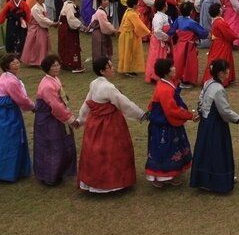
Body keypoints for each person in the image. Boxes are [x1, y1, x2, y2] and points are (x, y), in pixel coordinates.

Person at [76, 55, 146, 194]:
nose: (112, 69)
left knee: (95, 152)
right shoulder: (108, 87)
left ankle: (94, 182)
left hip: (93, 124)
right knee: (113, 151)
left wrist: (81, 119)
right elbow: (123, 103)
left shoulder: (94, 83)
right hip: (109, 125)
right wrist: (140, 114)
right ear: (102, 71)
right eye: (110, 67)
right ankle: (113, 183)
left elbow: (87, 103)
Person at [191, 59, 239, 193]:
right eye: (227, 69)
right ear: (221, 73)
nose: (228, 71)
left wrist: (200, 112)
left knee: (205, 150)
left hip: (206, 121)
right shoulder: (219, 89)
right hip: (216, 124)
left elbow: (201, 99)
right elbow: (224, 111)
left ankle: (203, 179)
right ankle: (218, 181)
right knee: (218, 151)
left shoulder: (208, 83)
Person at [145, 58, 197, 187]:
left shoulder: (167, 84)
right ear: (166, 71)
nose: (174, 68)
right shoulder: (165, 89)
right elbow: (172, 110)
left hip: (167, 123)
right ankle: (161, 176)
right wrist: (190, 115)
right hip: (164, 124)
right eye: (172, 67)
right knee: (164, 149)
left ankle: (169, 174)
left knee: (171, 148)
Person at [0, 53, 33, 182]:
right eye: (13, 63)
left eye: (17, 62)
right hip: (9, 115)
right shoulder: (11, 81)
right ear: (7, 66)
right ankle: (1, 171)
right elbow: (21, 99)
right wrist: (33, 107)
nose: (17, 65)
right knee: (9, 142)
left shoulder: (3, 77)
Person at [30, 55, 76, 186]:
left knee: (59, 145)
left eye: (58, 65)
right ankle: (50, 176)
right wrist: (70, 118)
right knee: (51, 146)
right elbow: (55, 105)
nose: (57, 68)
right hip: (48, 119)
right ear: (47, 68)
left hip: (54, 117)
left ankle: (58, 172)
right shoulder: (47, 86)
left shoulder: (53, 79)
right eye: (53, 66)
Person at [115, 0, 151, 76]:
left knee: (127, 52)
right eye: (137, 3)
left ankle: (128, 68)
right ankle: (128, 69)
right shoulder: (132, 14)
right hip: (129, 36)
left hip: (125, 34)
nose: (138, 5)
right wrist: (149, 32)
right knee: (129, 52)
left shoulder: (128, 11)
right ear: (134, 5)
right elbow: (139, 25)